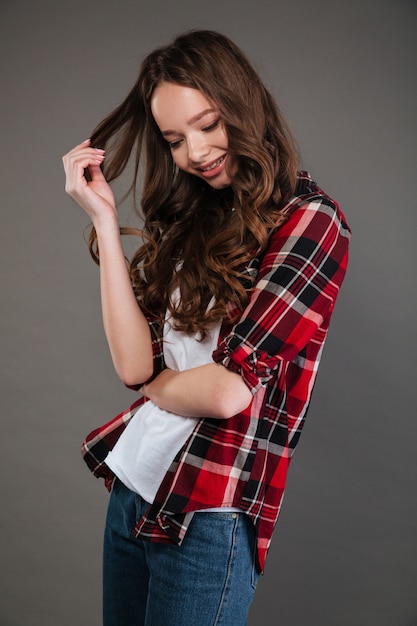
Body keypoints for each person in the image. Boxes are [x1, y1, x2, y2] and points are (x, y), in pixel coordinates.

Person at [63, 29, 351, 626]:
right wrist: (105, 221)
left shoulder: (311, 222)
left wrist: (152, 388)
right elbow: (132, 363)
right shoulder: (197, 214)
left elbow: (226, 391)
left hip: (208, 512)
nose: (195, 152)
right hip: (133, 490)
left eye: (208, 123)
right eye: (174, 139)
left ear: (244, 106)